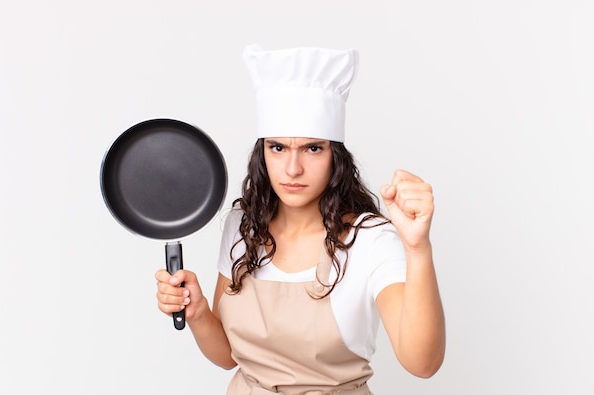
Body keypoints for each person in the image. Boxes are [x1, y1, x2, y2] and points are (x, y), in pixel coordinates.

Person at [155, 43, 445, 394]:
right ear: (262, 153)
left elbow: (422, 364)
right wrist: (199, 312)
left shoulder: (370, 239)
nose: (293, 169)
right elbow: (230, 356)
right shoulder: (242, 225)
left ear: (335, 155)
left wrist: (417, 249)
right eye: (277, 148)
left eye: (312, 148)